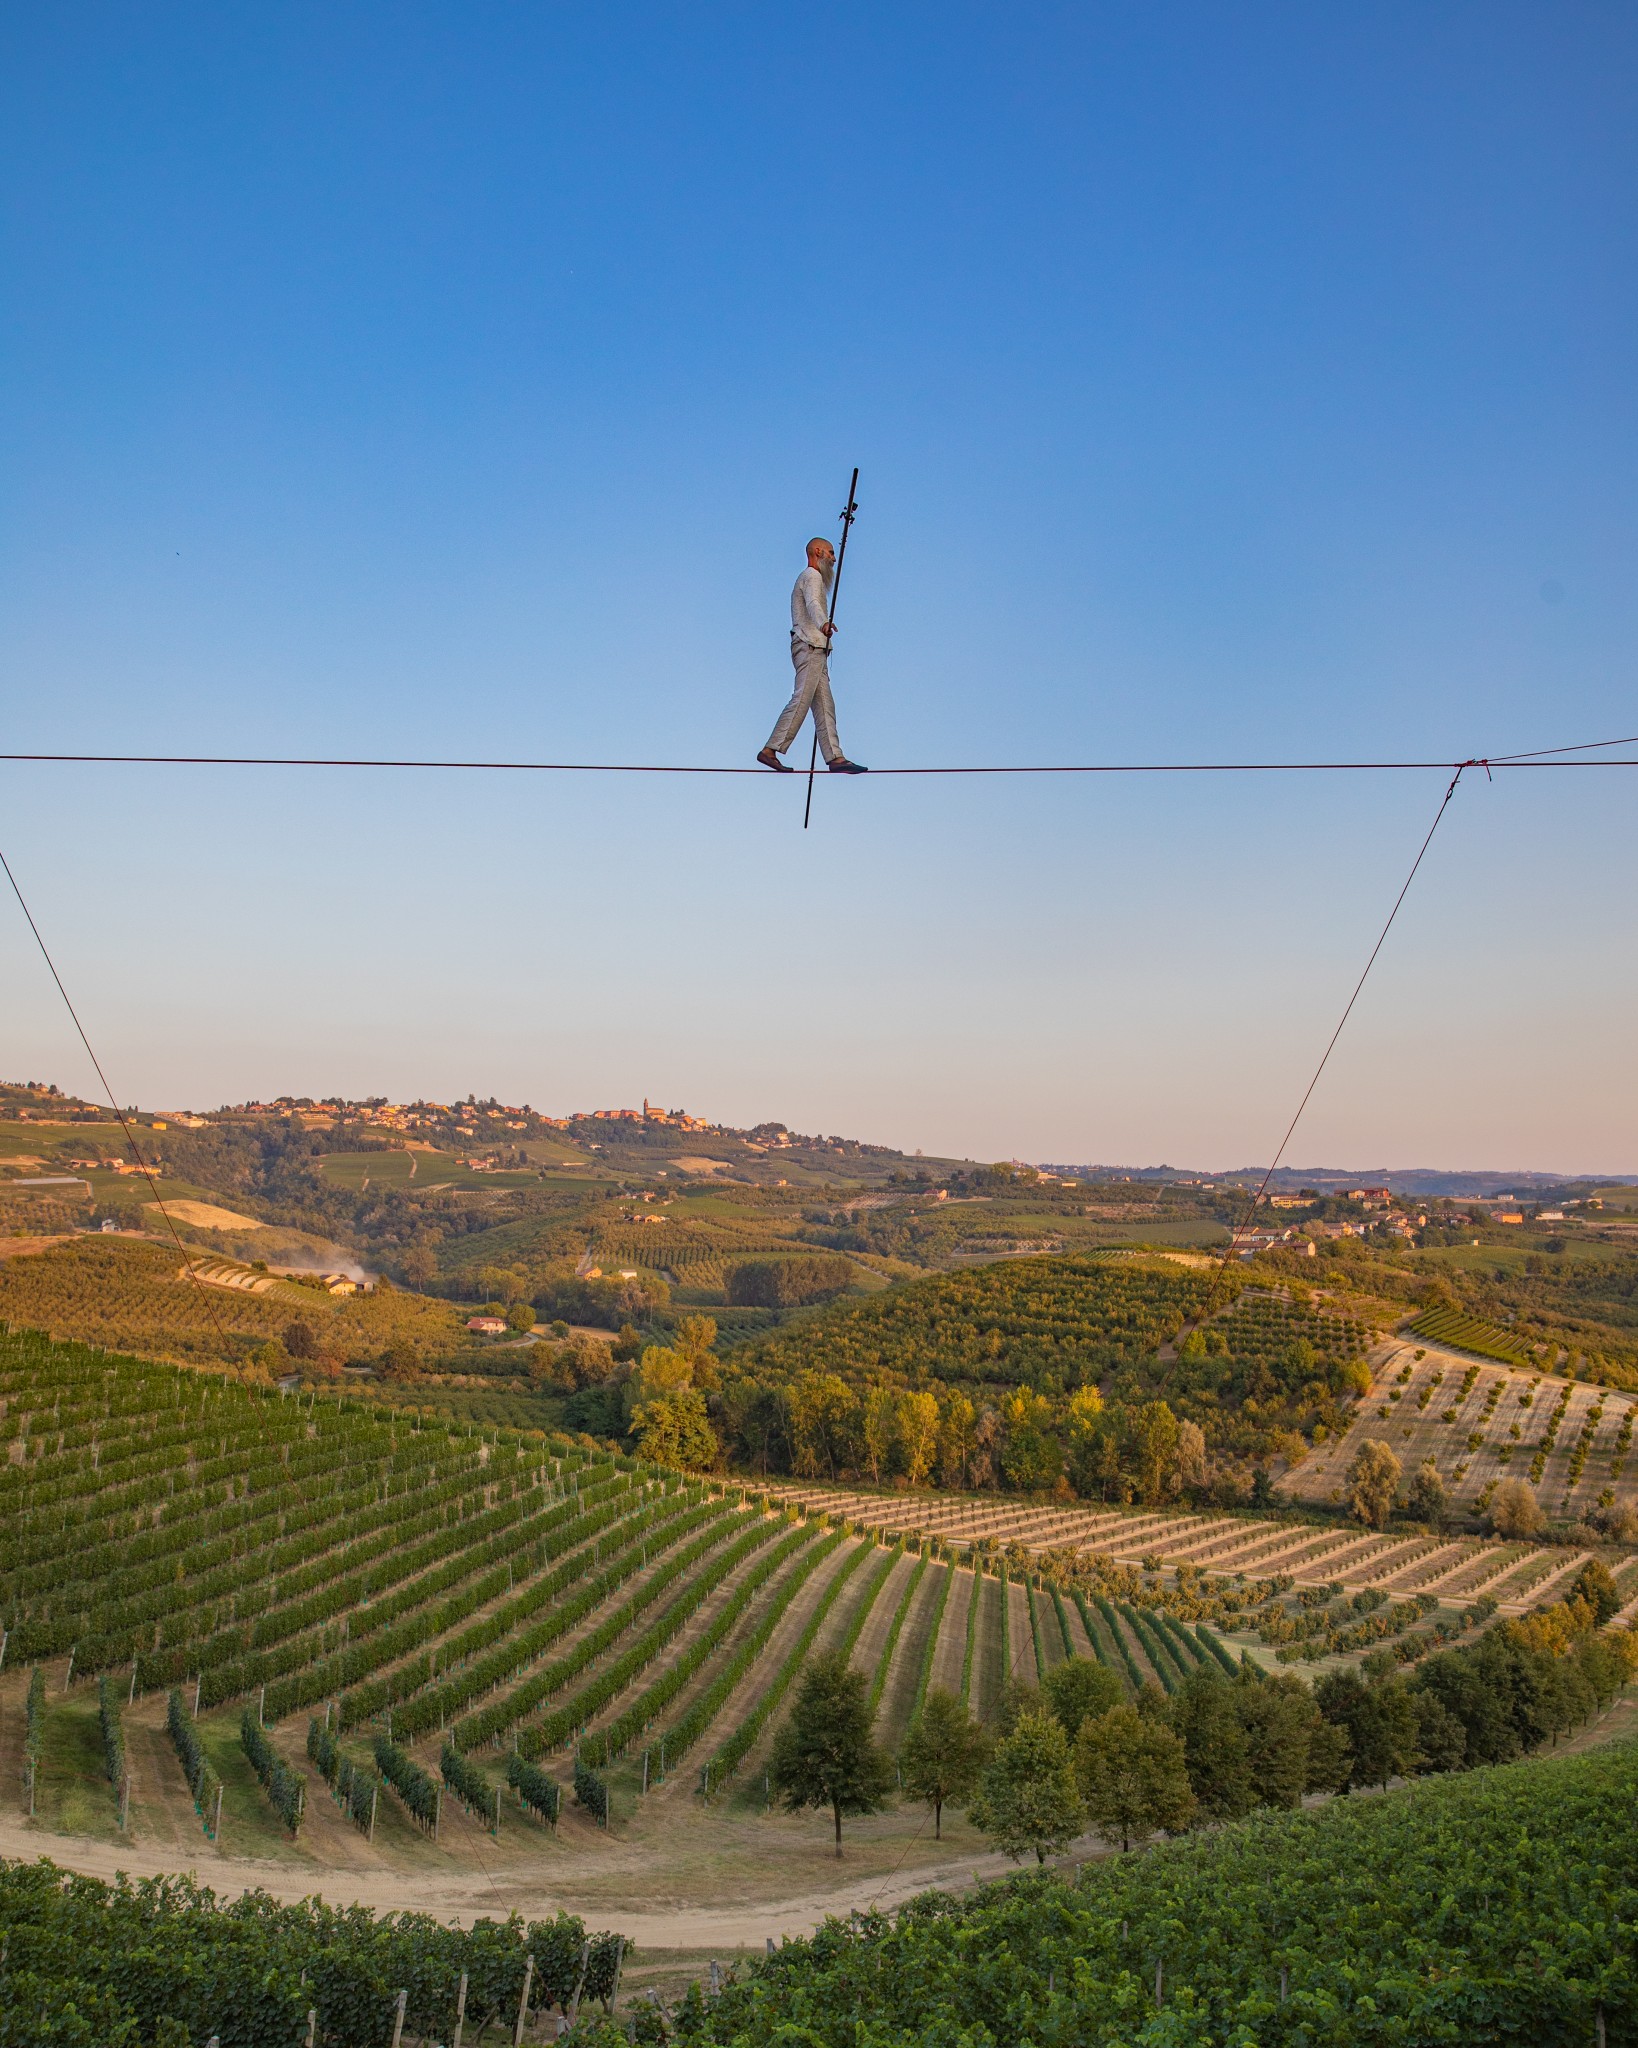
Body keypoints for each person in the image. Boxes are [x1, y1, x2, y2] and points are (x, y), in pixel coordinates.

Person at [757, 537, 867, 773]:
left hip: (815, 648)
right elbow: (813, 603)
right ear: (818, 552)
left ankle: (835, 757)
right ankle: (770, 749)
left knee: (825, 705)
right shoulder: (812, 576)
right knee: (801, 700)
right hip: (810, 646)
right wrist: (824, 624)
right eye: (830, 553)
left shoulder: (810, 577)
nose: (834, 559)